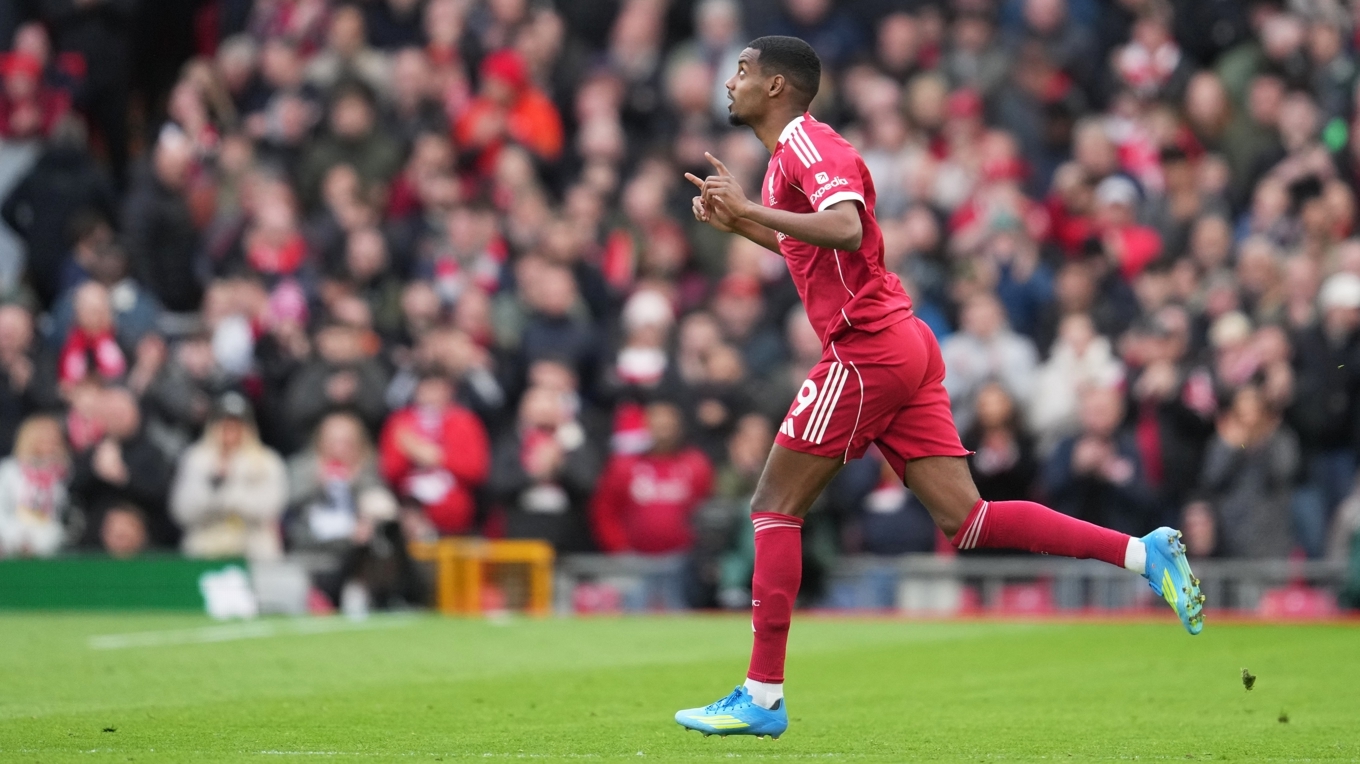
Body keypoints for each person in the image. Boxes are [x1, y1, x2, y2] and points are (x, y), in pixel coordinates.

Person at [675, 36, 1204, 739]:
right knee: (969, 521)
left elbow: (845, 225)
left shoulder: (808, 144)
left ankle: (762, 697)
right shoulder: (783, 164)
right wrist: (740, 220)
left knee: (774, 504)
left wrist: (755, 211)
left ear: (778, 86)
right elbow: (817, 246)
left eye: (742, 69)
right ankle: (1145, 553)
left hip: (867, 350)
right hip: (900, 343)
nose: (730, 80)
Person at [169, 393, 288, 560]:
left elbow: (270, 508)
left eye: (237, 425)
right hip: (205, 542)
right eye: (224, 425)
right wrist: (215, 487)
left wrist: (231, 496)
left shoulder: (267, 461)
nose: (230, 431)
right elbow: (182, 511)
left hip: (252, 543)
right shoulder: (196, 458)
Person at [0, 415, 70, 557]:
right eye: (44, 439)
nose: (50, 444)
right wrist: (13, 537)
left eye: (54, 439)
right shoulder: (10, 469)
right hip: (10, 537)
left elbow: (62, 512)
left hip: (49, 540)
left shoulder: (64, 473)